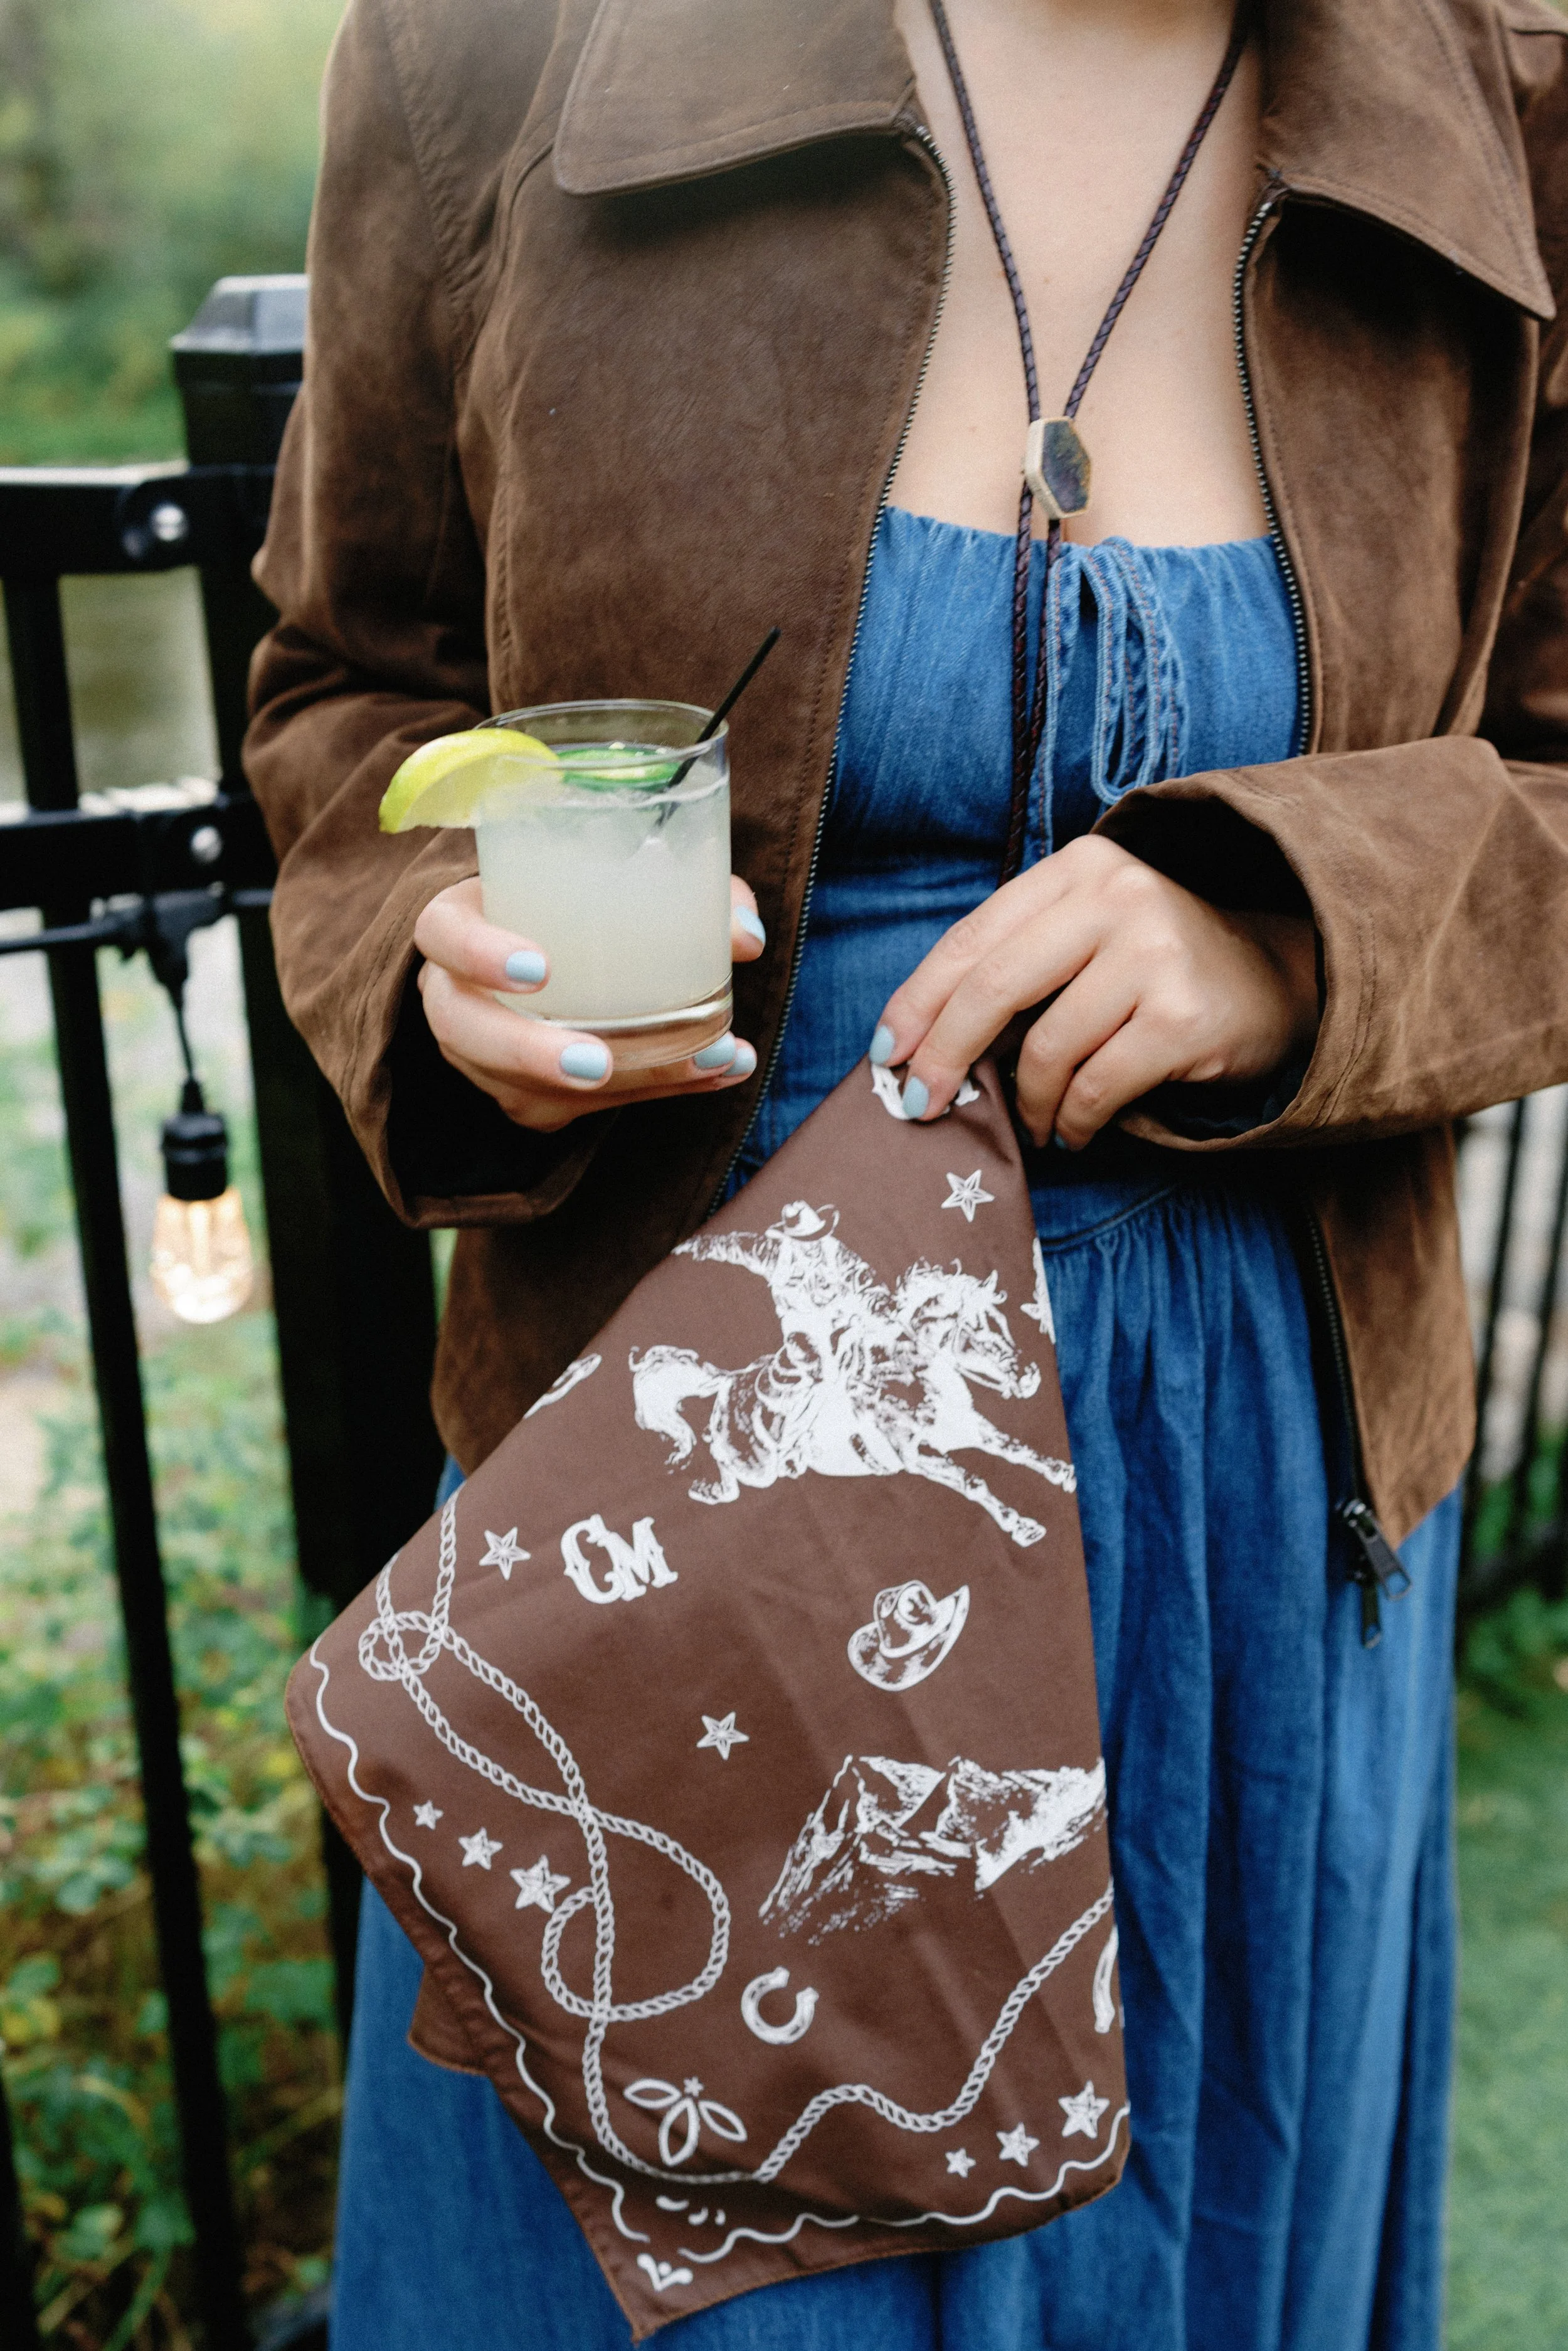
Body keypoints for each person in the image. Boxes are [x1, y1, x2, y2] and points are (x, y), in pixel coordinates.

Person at [243, 1, 1568, 2344]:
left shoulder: (1514, 97)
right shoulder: (490, 40)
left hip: (1252, 1510)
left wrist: (1301, 921)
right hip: (677, 1505)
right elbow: (348, 685)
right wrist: (431, 967)